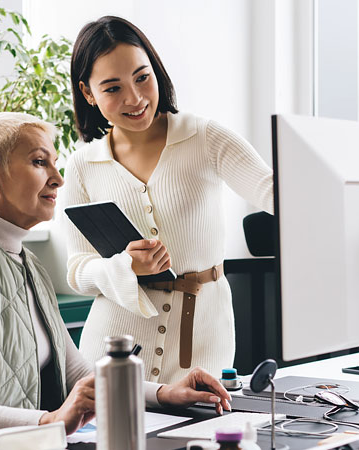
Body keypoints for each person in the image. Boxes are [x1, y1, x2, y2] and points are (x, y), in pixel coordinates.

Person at [0, 112, 232, 448]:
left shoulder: (26, 262)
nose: (58, 178)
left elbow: (77, 373)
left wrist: (166, 393)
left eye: (54, 162)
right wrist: (48, 421)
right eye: (39, 162)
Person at [62, 16, 274, 384]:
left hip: (203, 335)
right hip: (113, 344)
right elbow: (79, 271)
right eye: (112, 88)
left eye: (142, 77)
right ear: (88, 93)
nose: (135, 98)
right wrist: (125, 267)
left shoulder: (205, 137)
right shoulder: (82, 165)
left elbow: (277, 195)